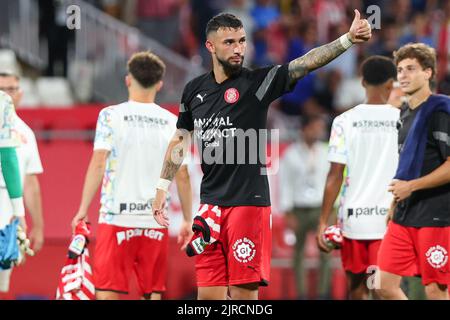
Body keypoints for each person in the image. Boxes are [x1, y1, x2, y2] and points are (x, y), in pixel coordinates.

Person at [152, 11, 372, 300]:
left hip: (249, 206)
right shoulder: (194, 90)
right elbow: (180, 139)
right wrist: (161, 187)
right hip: (210, 208)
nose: (238, 48)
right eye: (229, 42)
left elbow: (303, 64)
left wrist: (346, 40)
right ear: (210, 46)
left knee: (244, 297)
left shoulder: (258, 82)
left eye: (242, 41)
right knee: (208, 298)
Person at [71, 51, 193, 300]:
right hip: (155, 222)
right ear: (159, 84)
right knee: (152, 295)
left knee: (107, 293)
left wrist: (82, 208)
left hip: (116, 217)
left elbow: (98, 163)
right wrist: (188, 219)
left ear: (128, 80)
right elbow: (182, 174)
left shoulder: (110, 115)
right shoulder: (174, 123)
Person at [317, 56, 399, 300]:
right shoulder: (402, 121)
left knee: (357, 288)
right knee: (382, 288)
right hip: (388, 221)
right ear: (390, 84)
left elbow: (334, 176)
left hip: (354, 221)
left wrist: (323, 221)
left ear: (362, 82)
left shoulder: (343, 121)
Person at [377, 43, 450, 300]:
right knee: (383, 285)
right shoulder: (405, 112)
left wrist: (412, 187)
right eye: (399, 70)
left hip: (436, 216)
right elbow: (407, 164)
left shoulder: (442, 109)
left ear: (428, 73)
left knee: (435, 289)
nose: (403, 75)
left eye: (411, 69)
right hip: (405, 213)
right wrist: (393, 202)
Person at [0, 72, 45, 295]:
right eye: (2, 90)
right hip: (9, 207)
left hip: (7, 207)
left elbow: (29, 182)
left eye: (11, 89)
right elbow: (7, 161)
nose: (6, 95)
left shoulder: (25, 132)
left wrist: (36, 223)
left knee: (3, 278)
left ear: (20, 94)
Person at [279, 114, 331, 299]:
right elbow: (285, 184)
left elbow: (331, 181)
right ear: (304, 129)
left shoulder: (326, 151)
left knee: (325, 252)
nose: (318, 131)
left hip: (320, 208)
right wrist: (287, 211)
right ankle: (301, 294)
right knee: (298, 254)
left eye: (320, 128)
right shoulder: (291, 154)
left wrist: (331, 208)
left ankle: (323, 293)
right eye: (314, 127)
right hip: (299, 209)